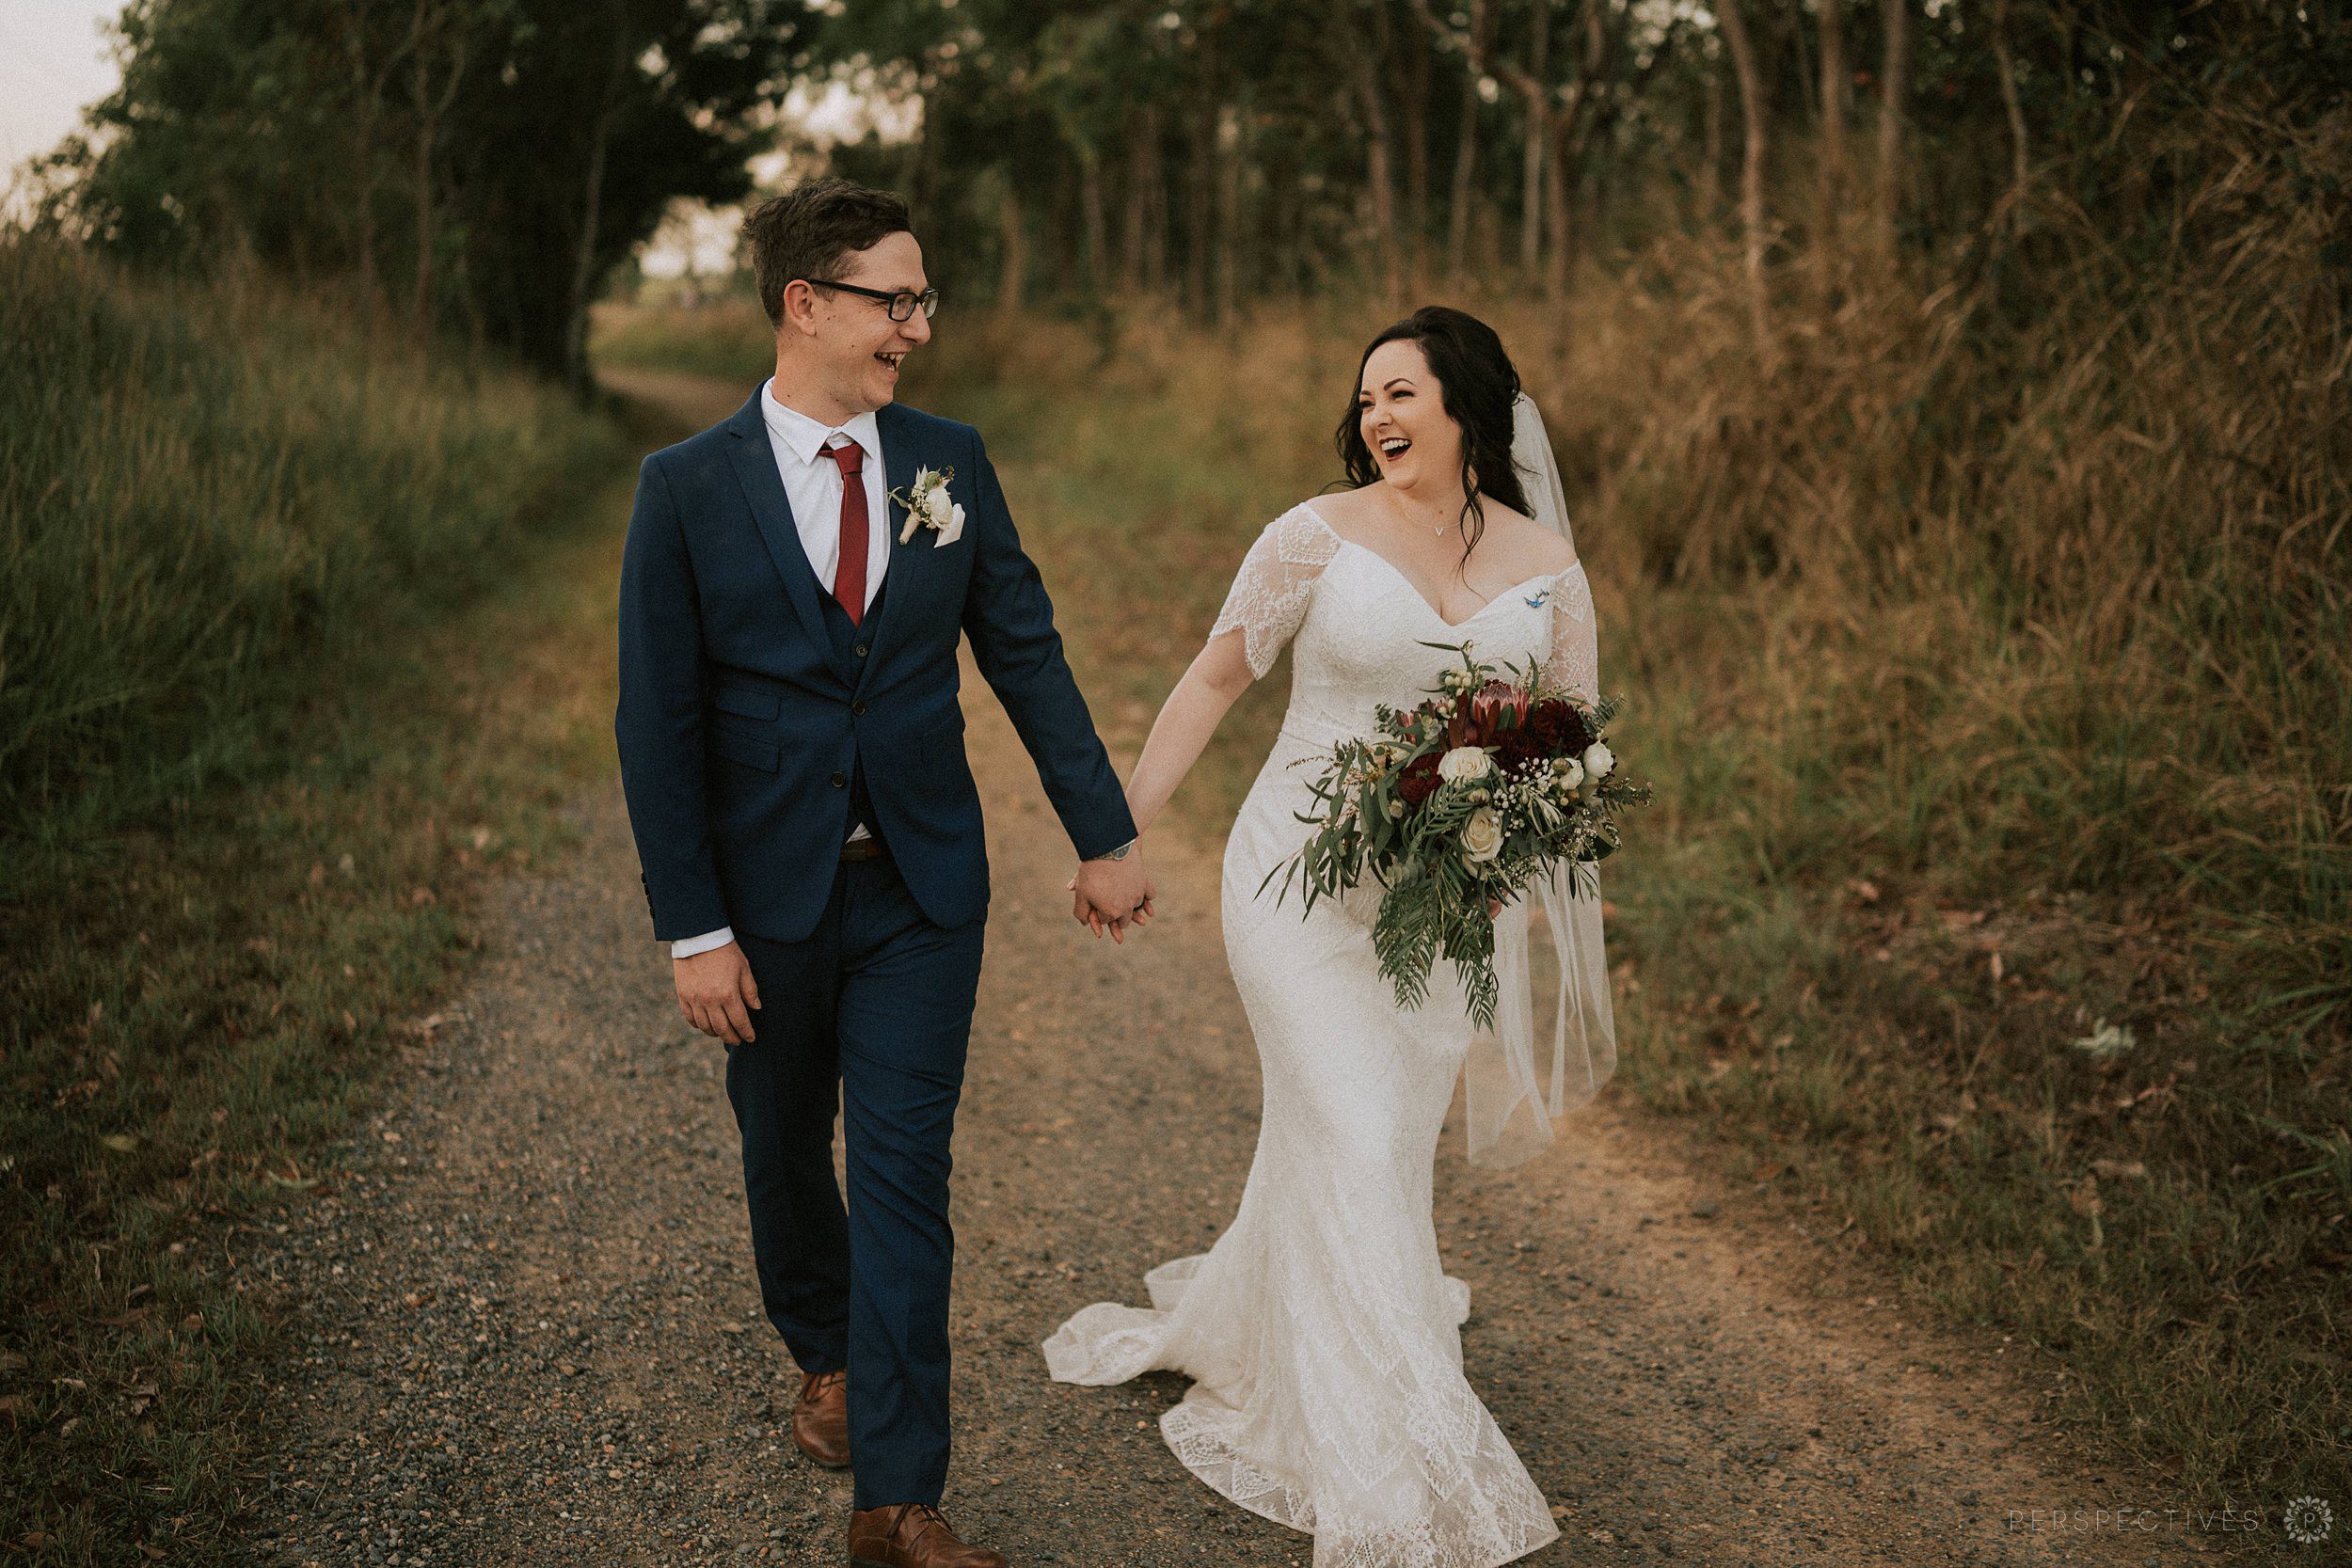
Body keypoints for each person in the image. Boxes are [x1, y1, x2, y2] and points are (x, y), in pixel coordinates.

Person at [613, 178, 1154, 1568]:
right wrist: (695, 930)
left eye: (922, 301)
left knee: (908, 1173)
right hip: (767, 900)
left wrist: (1103, 832)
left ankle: (899, 1505)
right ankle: (823, 1344)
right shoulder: (682, 490)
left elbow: (1021, 648)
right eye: (892, 300)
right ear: (807, 305)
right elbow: (658, 726)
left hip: (922, 889)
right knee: (787, 1147)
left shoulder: (949, 463)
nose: (915, 328)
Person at [1042, 306, 1619, 1568]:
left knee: (1374, 1149)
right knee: (1354, 1130)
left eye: (1401, 392)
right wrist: (1117, 832)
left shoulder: (1548, 566)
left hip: (1439, 911)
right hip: (1295, 881)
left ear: (1467, 403)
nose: (1377, 417)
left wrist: (1511, 835)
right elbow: (1210, 683)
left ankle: (1278, 1317)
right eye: (1365, 400)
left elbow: (1569, 737)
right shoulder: (1310, 539)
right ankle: (1401, 1463)